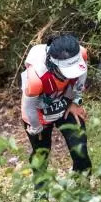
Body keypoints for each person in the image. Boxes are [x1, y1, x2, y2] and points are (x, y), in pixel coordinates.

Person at [20, 34, 92, 180]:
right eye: (67, 71)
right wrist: (36, 127)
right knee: (41, 154)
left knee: (80, 148)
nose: (70, 75)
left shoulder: (81, 53)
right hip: (37, 112)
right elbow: (28, 108)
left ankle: (82, 184)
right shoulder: (36, 78)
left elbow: (81, 77)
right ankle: (41, 190)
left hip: (66, 101)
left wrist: (75, 102)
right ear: (53, 64)